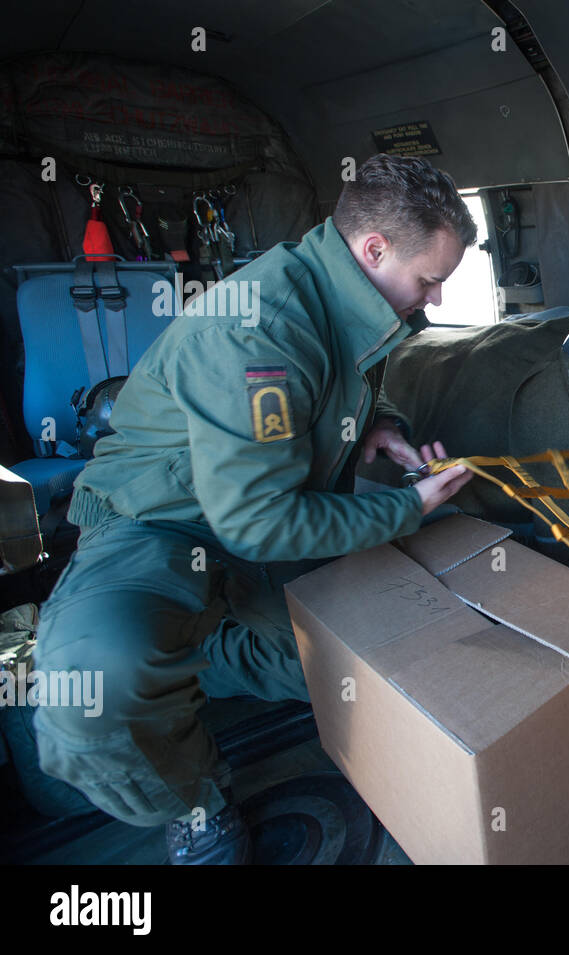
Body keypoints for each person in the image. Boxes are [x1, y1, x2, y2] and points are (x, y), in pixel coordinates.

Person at [31, 153, 476, 864]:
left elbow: (344, 387)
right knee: (95, 690)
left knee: (344, 675)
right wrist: (408, 509)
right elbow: (258, 523)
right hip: (161, 520)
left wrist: (379, 425)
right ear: (374, 248)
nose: (437, 300)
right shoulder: (263, 326)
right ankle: (196, 802)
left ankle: (194, 654)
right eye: (431, 280)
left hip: (268, 518)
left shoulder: (349, 293)